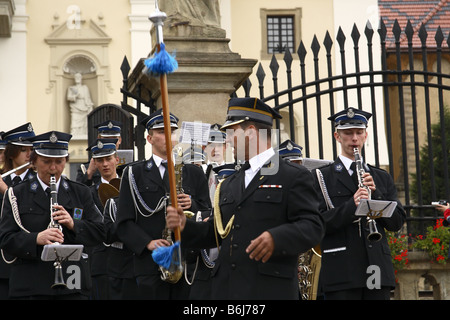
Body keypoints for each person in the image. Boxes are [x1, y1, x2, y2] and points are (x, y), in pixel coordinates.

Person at [166, 97, 325, 300]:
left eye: (232, 132)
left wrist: (277, 238)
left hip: (270, 290)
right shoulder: (230, 183)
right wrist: (183, 226)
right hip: (227, 290)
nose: (229, 140)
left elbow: (313, 226)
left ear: (250, 131)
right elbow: (216, 233)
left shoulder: (293, 175)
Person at [115, 108, 211, 300]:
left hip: (187, 262)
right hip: (150, 264)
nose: (168, 135)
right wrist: (147, 243)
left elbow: (207, 213)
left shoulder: (193, 172)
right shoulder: (134, 173)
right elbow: (123, 222)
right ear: (149, 139)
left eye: (172, 131)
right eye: (161, 131)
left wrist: (191, 205)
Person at [312, 107, 406, 300]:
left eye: (359, 132)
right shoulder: (321, 177)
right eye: (348, 133)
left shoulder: (380, 176)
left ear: (365, 135)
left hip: (377, 268)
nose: (354, 138)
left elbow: (396, 222)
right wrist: (352, 206)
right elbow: (316, 224)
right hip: (341, 271)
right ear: (337, 136)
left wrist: (376, 194)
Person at [0, 131, 105, 299]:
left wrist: (73, 225)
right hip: (30, 285)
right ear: (34, 162)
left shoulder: (80, 192)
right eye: (46, 161)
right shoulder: (16, 194)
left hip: (72, 283)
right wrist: (36, 238)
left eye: (59, 161)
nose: (53, 168)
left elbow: (101, 231)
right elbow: (5, 238)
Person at [0, 123, 36, 299]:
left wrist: (5, 189)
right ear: (12, 153)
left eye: (31, 149)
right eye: (23, 149)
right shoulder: (4, 176)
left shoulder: (37, 182)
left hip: (24, 259)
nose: (29, 154)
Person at [86, 138, 120, 300]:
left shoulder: (130, 186)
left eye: (108, 159)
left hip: (127, 260)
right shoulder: (89, 193)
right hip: (101, 262)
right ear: (95, 163)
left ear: (117, 160)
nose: (105, 164)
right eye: (100, 160)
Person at [77, 120, 122, 186]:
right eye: (106, 138)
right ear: (99, 138)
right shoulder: (86, 168)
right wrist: (89, 174)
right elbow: (79, 193)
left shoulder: (129, 166)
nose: (110, 141)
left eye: (114, 139)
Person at [67, 72, 94, 138]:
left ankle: (83, 134)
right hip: (75, 107)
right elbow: (68, 97)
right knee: (74, 122)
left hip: (84, 107)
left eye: (79, 77)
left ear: (81, 78)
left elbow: (88, 98)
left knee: (84, 124)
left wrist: (90, 105)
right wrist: (75, 96)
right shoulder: (71, 88)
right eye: (76, 77)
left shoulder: (85, 88)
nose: (77, 78)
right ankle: (75, 135)